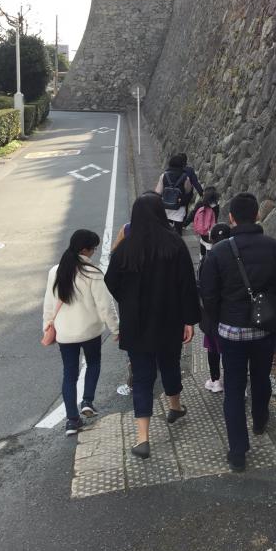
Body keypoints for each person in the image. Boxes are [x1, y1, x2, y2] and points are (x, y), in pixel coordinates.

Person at [200, 193, 276, 472]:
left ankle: (238, 451)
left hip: (230, 331)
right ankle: (260, 420)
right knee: (261, 376)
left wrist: (219, 318)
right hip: (263, 330)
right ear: (257, 215)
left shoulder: (218, 253)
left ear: (231, 218)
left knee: (233, 387)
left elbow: (208, 294)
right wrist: (270, 305)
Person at [104, 192, 201, 459]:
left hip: (136, 323)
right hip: (169, 319)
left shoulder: (126, 247)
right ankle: (175, 407)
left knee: (142, 377)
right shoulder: (175, 244)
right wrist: (189, 319)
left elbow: (111, 281)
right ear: (161, 212)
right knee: (170, 364)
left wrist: (128, 300)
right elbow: (187, 284)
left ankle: (142, 438)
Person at [42, 229, 119, 436]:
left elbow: (49, 303)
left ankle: (72, 421)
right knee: (93, 363)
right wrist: (116, 328)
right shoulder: (92, 273)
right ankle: (87, 401)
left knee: (69, 374)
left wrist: (47, 325)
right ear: (84, 250)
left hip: (65, 334)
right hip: (90, 331)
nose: (94, 252)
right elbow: (105, 305)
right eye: (93, 249)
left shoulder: (55, 271)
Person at [198, 222, 231, 393]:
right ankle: (234, 381)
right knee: (232, 351)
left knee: (213, 349)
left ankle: (215, 380)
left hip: (212, 314)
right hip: (232, 312)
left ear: (211, 239)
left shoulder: (208, 258)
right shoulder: (237, 255)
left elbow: (203, 288)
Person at [185, 185, 221, 268]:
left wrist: (184, 224)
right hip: (211, 231)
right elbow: (215, 218)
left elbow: (193, 214)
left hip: (202, 231)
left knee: (203, 244)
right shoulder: (216, 206)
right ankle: (207, 262)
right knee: (208, 246)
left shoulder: (200, 204)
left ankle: (202, 262)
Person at [155, 156, 192, 235]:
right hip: (179, 208)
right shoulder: (185, 177)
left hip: (165, 207)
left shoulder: (164, 175)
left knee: (165, 231)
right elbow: (188, 191)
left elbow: (157, 192)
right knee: (178, 232)